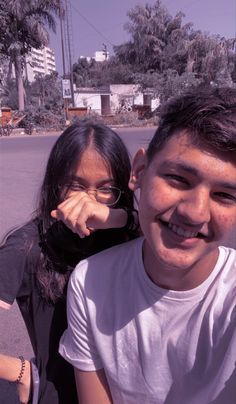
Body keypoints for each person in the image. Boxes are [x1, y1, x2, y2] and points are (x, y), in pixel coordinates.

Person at [59, 87, 236, 404]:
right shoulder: (90, 282)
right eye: (178, 179)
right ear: (139, 171)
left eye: (225, 195)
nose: (194, 213)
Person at [0, 122, 139, 404]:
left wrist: (118, 218)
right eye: (75, 186)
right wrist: (19, 370)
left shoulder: (130, 237)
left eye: (106, 189)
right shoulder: (27, 246)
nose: (88, 202)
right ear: (56, 185)